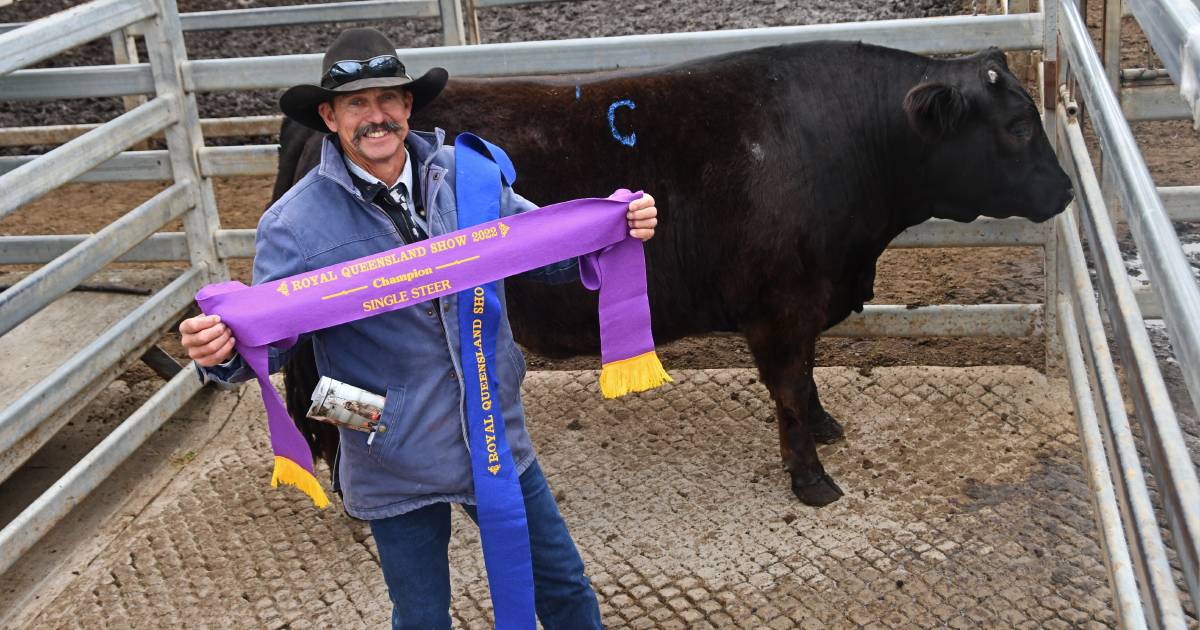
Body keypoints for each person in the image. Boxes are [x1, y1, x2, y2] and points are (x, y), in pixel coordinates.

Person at [178, 27, 656, 630]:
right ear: (329, 116)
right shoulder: (292, 225)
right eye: (356, 103)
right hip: (389, 459)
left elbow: (543, 248)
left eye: (387, 99)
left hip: (494, 433)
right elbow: (272, 346)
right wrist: (221, 353)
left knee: (564, 590)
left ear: (408, 107)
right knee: (422, 616)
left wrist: (613, 225)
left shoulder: (469, 176)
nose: (374, 116)